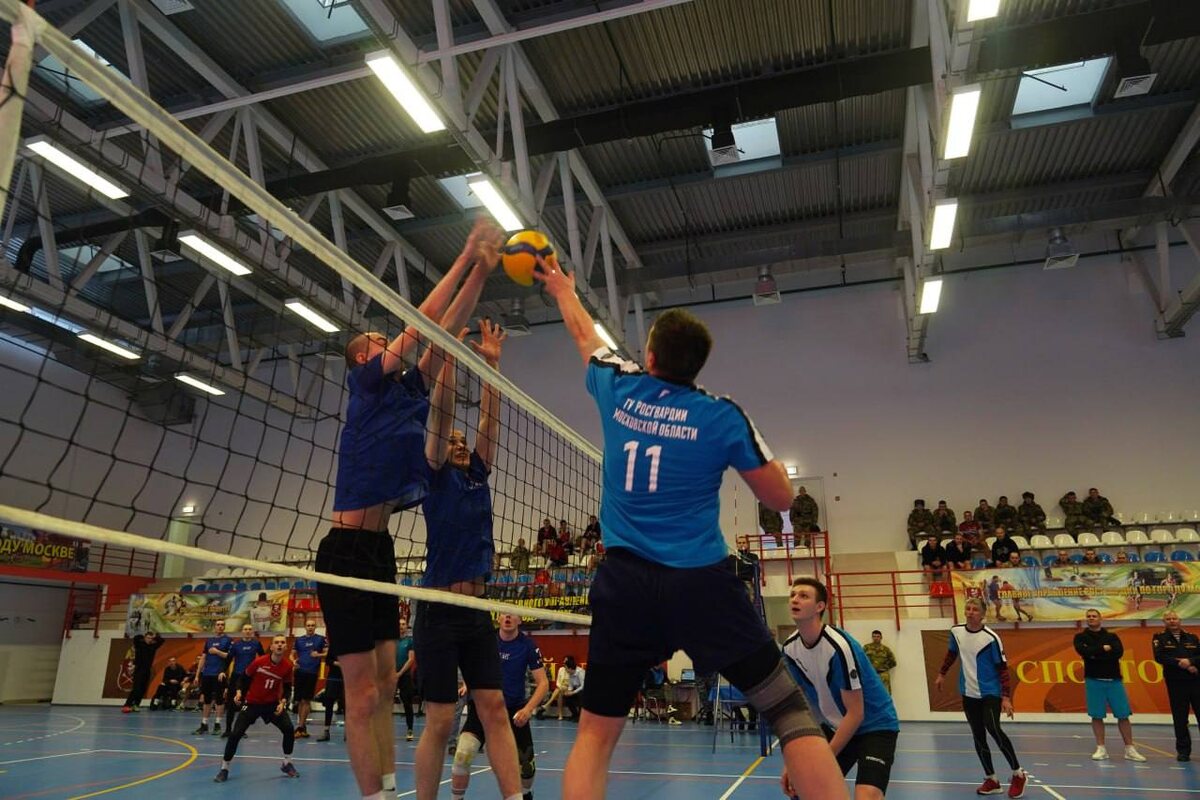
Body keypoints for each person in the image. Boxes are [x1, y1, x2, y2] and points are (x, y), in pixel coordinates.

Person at [534, 259, 845, 800]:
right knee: (789, 711)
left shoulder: (618, 387)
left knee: (595, 736)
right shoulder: (720, 416)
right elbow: (780, 498)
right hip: (702, 585)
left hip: (625, 584)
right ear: (697, 367)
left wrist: (563, 288)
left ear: (650, 356)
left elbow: (586, 336)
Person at [317, 220, 502, 800]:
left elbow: (442, 337)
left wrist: (482, 272)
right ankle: (374, 796)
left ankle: (390, 789)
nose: (387, 342)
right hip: (344, 550)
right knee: (362, 694)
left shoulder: (407, 392)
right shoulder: (366, 384)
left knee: (382, 689)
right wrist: (464, 253)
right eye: (379, 340)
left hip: (380, 549)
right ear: (364, 356)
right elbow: (421, 324)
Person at [415, 318, 523, 800]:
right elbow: (440, 415)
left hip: (476, 612)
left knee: (494, 708)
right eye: (453, 442)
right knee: (440, 719)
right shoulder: (435, 476)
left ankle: (514, 796)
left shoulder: (478, 474)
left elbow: (488, 423)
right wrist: (448, 357)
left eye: (463, 442)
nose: (459, 444)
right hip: (439, 610)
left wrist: (492, 367)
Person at [783, 579, 900, 799]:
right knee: (804, 789)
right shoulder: (790, 649)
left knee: (866, 795)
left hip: (875, 726)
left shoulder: (839, 647)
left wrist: (823, 759)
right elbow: (803, 708)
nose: (795, 600)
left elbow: (856, 713)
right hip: (835, 725)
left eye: (803, 596)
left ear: (820, 607)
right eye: (793, 595)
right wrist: (795, 762)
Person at [451, 613, 550, 800]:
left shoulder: (527, 645)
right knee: (463, 754)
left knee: (526, 769)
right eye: (504, 613)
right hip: (483, 708)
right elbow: (471, 664)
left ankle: (526, 794)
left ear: (520, 620)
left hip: (514, 712)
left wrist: (527, 710)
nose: (508, 617)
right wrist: (467, 683)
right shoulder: (487, 641)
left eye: (512, 614)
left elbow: (543, 683)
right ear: (498, 618)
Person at [935, 597, 1027, 798]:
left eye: (975, 609)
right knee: (978, 735)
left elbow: (1002, 669)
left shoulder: (991, 638)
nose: (970, 612)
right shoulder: (956, 632)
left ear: (983, 614)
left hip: (990, 693)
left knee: (993, 729)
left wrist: (1006, 697)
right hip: (968, 693)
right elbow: (951, 653)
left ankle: (1018, 774)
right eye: (968, 608)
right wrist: (942, 674)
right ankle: (992, 779)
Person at [213, 634, 300, 783]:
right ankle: (224, 768)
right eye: (276, 642)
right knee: (235, 734)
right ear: (271, 647)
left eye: (282, 642)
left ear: (286, 647)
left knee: (288, 729)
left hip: (271, 705)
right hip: (251, 703)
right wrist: (239, 692)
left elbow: (287, 688)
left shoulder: (287, 666)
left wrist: (283, 702)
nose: (279, 645)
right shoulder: (259, 662)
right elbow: (243, 679)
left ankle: (287, 763)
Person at [1073, 610, 1145, 762]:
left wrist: (1094, 653)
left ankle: (1130, 749)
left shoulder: (1112, 637)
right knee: (1096, 715)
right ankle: (1101, 748)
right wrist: (1103, 649)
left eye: (1094, 616)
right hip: (1093, 681)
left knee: (1123, 715)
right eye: (1089, 616)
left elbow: (1118, 653)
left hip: (1114, 681)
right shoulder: (1080, 637)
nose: (1091, 618)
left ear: (1100, 618)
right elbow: (1084, 652)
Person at [1152, 611, 1200, 761]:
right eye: (1168, 619)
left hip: (1195, 681)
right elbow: (1160, 657)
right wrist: (1182, 664)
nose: (1172, 621)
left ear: (1180, 620)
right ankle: (1183, 751)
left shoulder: (1192, 637)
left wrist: (1191, 662)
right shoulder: (1159, 638)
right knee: (1180, 718)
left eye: (1174, 618)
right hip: (1176, 682)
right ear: (1164, 622)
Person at [223, 624, 265, 736]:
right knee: (231, 704)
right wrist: (222, 671)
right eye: (245, 629)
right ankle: (228, 730)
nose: (247, 631)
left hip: (249, 677)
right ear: (242, 631)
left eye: (249, 629)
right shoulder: (236, 644)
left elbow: (263, 658)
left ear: (252, 631)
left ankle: (241, 730)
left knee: (246, 705)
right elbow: (229, 659)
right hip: (236, 676)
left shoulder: (256, 643)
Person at [195, 620, 232, 735]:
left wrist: (217, 652)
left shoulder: (228, 640)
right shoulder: (209, 641)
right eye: (218, 625)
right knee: (206, 700)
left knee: (219, 700)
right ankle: (204, 724)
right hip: (207, 674)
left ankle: (217, 724)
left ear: (224, 627)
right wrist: (197, 675)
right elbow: (203, 657)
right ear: (214, 627)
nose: (220, 626)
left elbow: (229, 656)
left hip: (219, 674)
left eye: (222, 625)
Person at [292, 620, 328, 738]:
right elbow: (292, 654)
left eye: (312, 625)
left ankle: (300, 727)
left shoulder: (321, 639)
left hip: (312, 672)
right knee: (299, 701)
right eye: (308, 625)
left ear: (315, 627)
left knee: (306, 700)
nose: (310, 627)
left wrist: (318, 655)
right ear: (305, 627)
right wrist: (293, 661)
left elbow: (327, 653)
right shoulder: (299, 640)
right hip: (299, 672)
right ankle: (302, 727)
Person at [121, 630, 163, 713]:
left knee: (143, 689)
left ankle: (136, 705)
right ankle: (127, 705)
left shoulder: (153, 646)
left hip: (147, 670)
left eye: (151, 638)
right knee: (136, 688)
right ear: (144, 638)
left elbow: (161, 641)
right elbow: (136, 638)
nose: (149, 640)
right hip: (139, 669)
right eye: (148, 638)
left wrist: (155, 636)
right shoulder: (139, 645)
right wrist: (144, 636)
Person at [536, 655, 585, 720]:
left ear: (570, 667)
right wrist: (569, 691)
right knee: (564, 694)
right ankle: (574, 715)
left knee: (580, 695)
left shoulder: (580, 672)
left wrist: (572, 692)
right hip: (567, 689)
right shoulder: (566, 671)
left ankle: (546, 706)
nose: (564, 663)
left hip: (582, 691)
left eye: (566, 662)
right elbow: (569, 685)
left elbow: (583, 686)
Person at [395, 616, 416, 742]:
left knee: (407, 703)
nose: (401, 626)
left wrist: (399, 673)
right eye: (399, 624)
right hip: (391, 676)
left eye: (403, 624)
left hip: (405, 676)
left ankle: (410, 729)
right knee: (384, 703)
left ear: (406, 626)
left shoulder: (410, 641)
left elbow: (411, 659)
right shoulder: (392, 641)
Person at [317, 650, 345, 742]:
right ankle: (326, 731)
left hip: (346, 679)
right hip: (333, 679)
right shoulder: (334, 646)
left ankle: (348, 732)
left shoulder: (351, 646)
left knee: (346, 706)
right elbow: (328, 661)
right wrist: (337, 663)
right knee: (329, 705)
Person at [862, 630, 897, 696]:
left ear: (881, 637)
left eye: (878, 636)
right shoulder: (866, 648)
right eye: (874, 636)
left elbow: (893, 662)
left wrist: (884, 668)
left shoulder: (886, 649)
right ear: (872, 637)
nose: (876, 638)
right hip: (870, 675)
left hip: (883, 675)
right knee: (871, 694)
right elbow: (862, 660)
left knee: (885, 694)